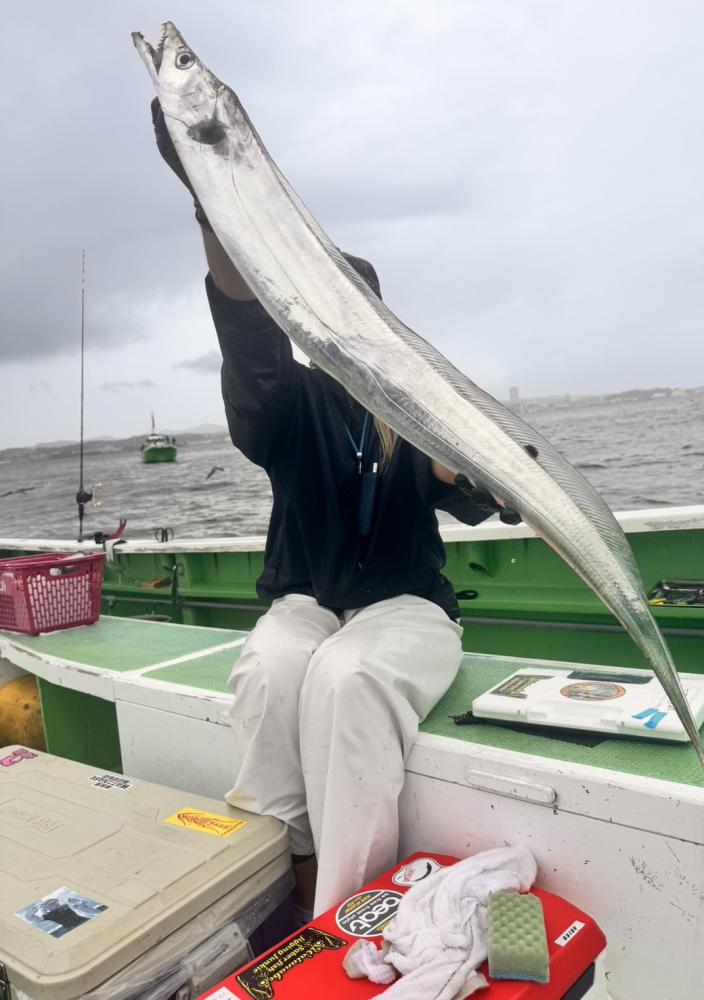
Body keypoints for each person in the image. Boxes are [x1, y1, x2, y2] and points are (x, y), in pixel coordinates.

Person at [149, 101, 521, 918]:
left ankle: (345, 913)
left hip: (408, 606)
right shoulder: (287, 399)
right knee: (271, 672)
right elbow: (245, 328)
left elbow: (473, 487)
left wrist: (478, 474)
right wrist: (212, 199)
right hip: (304, 599)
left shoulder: (419, 406)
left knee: (348, 678)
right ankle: (275, 886)